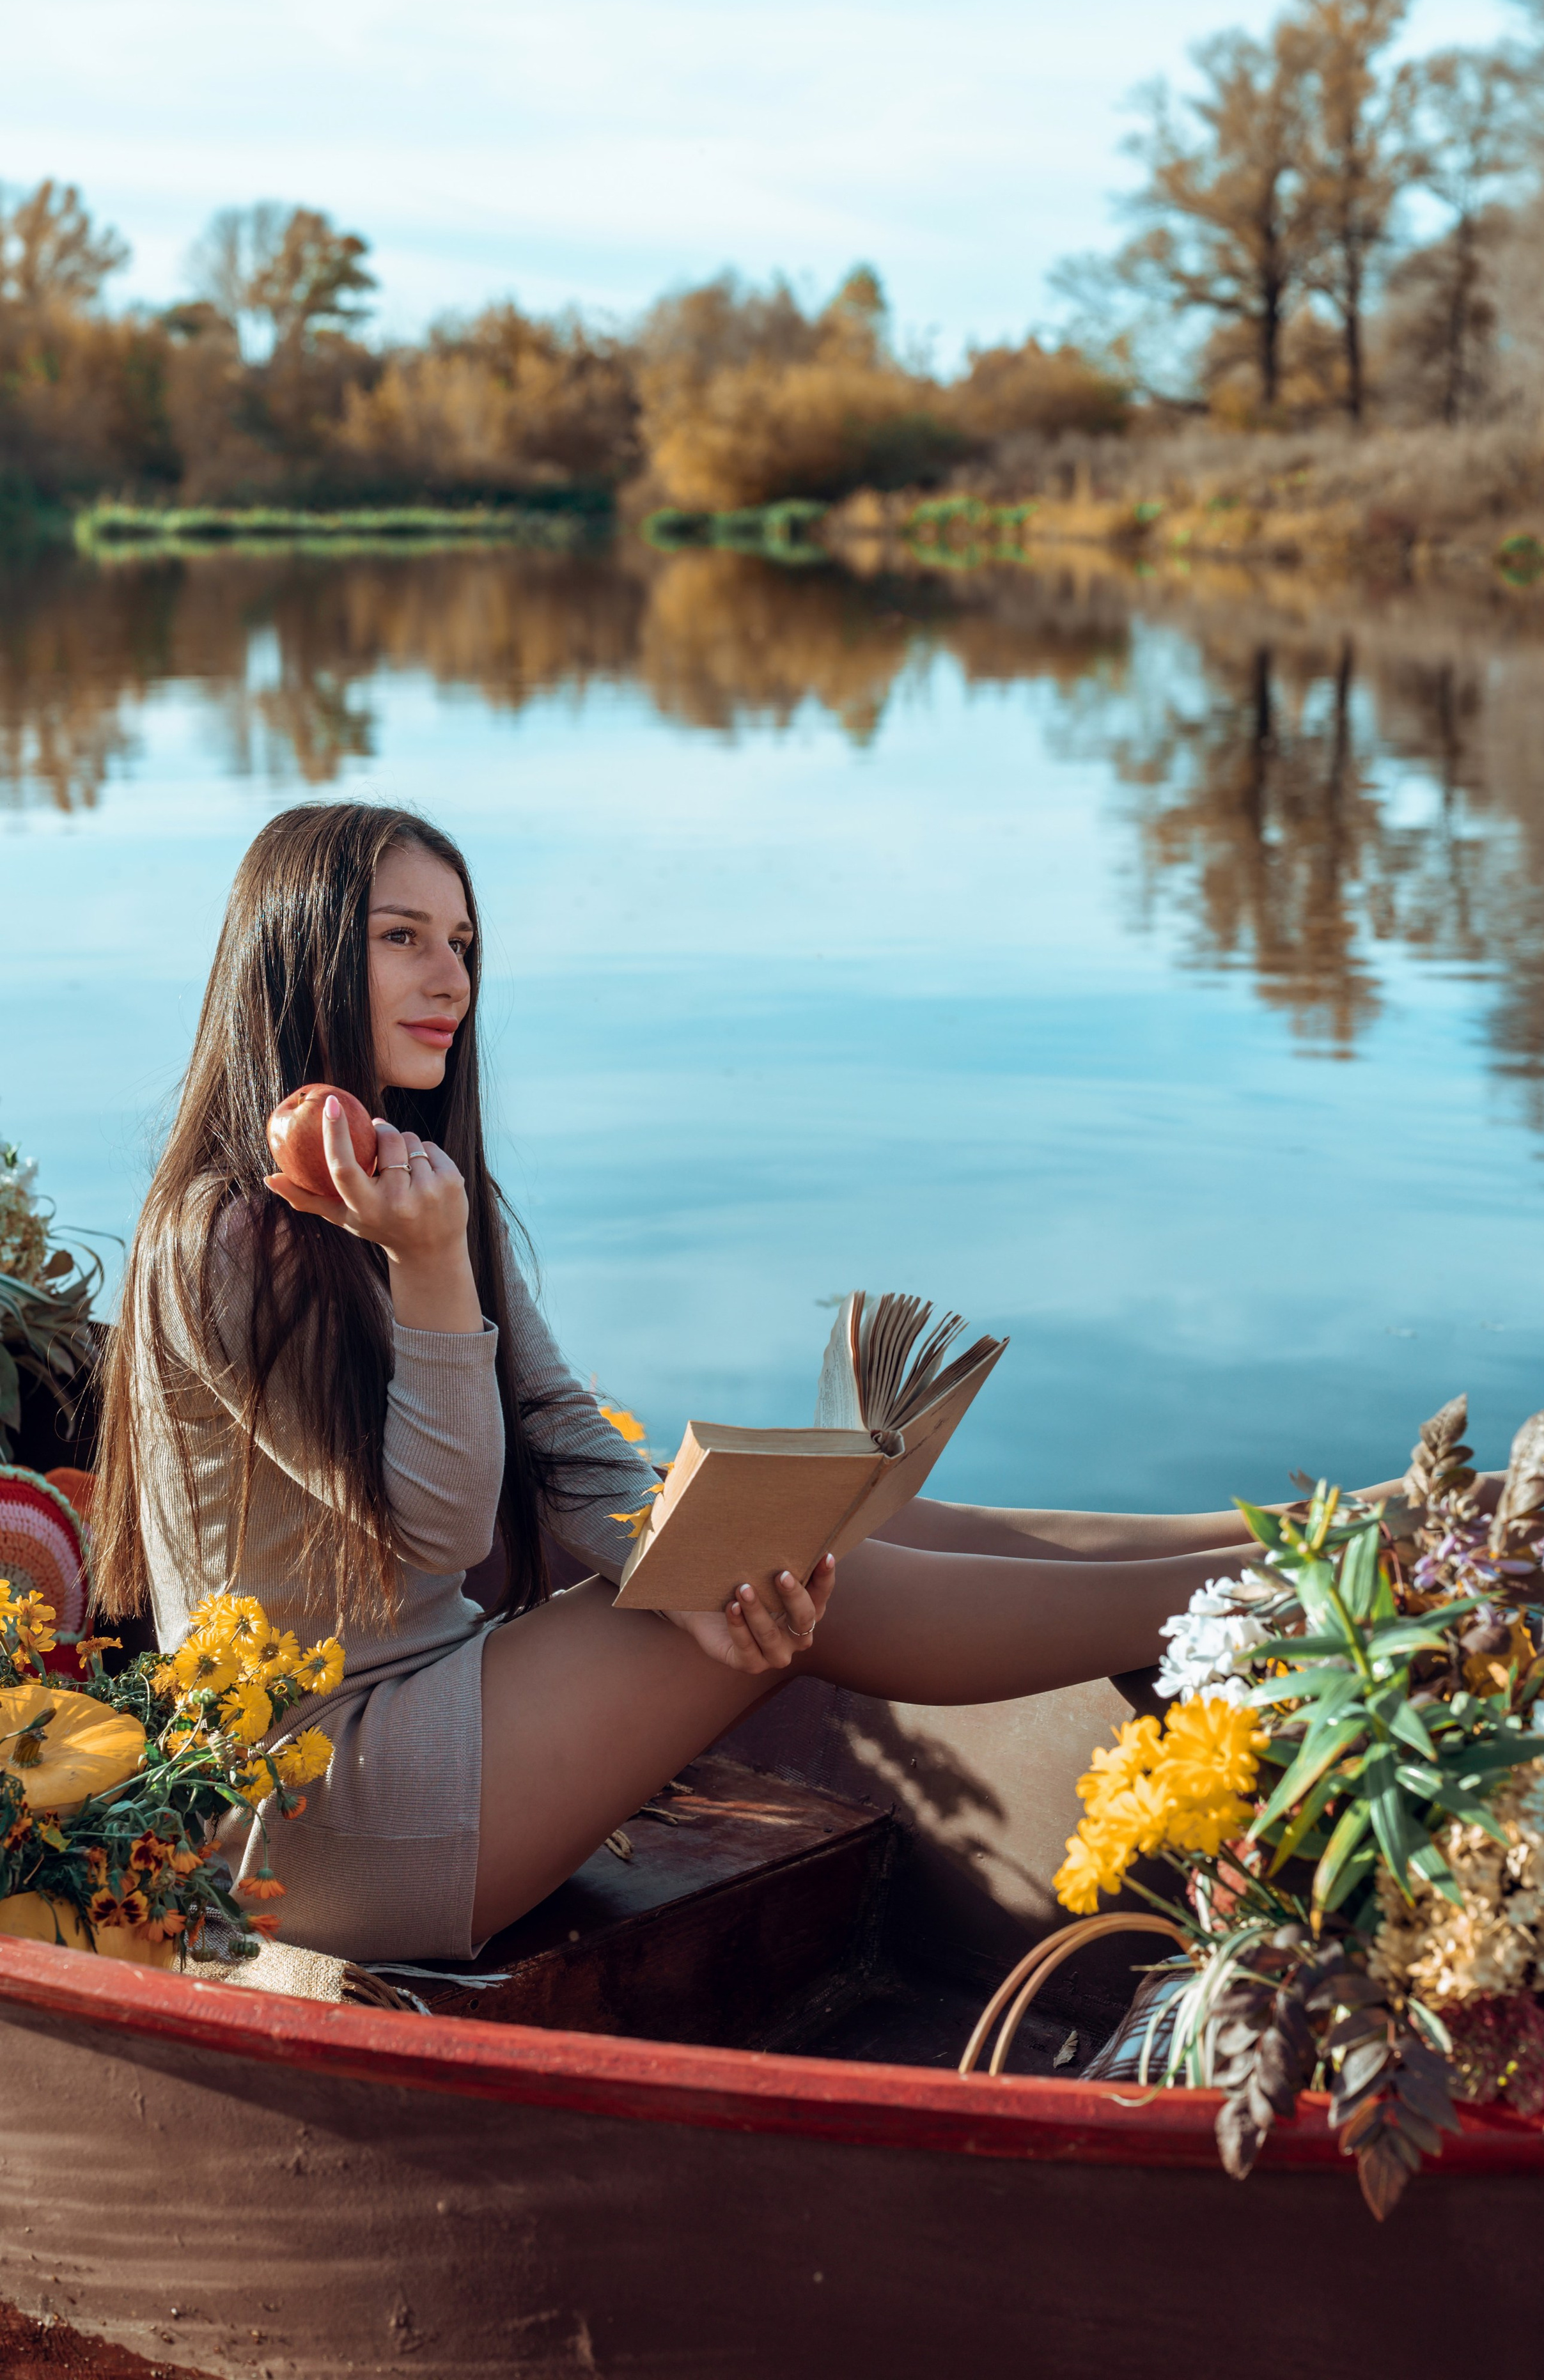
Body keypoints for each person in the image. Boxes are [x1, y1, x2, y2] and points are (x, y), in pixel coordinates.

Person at [94, 802, 1392, 1963]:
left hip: (435, 1714)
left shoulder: (422, 1185)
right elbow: (430, 1535)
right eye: (404, 938)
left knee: (815, 1542)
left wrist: (684, 1570)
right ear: (302, 951)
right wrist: (431, 1275)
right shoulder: (225, 1240)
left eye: (465, 944)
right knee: (809, 1587)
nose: (452, 981)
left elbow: (566, 1443)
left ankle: (1309, 1536)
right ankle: (1299, 1595)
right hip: (313, 1815)